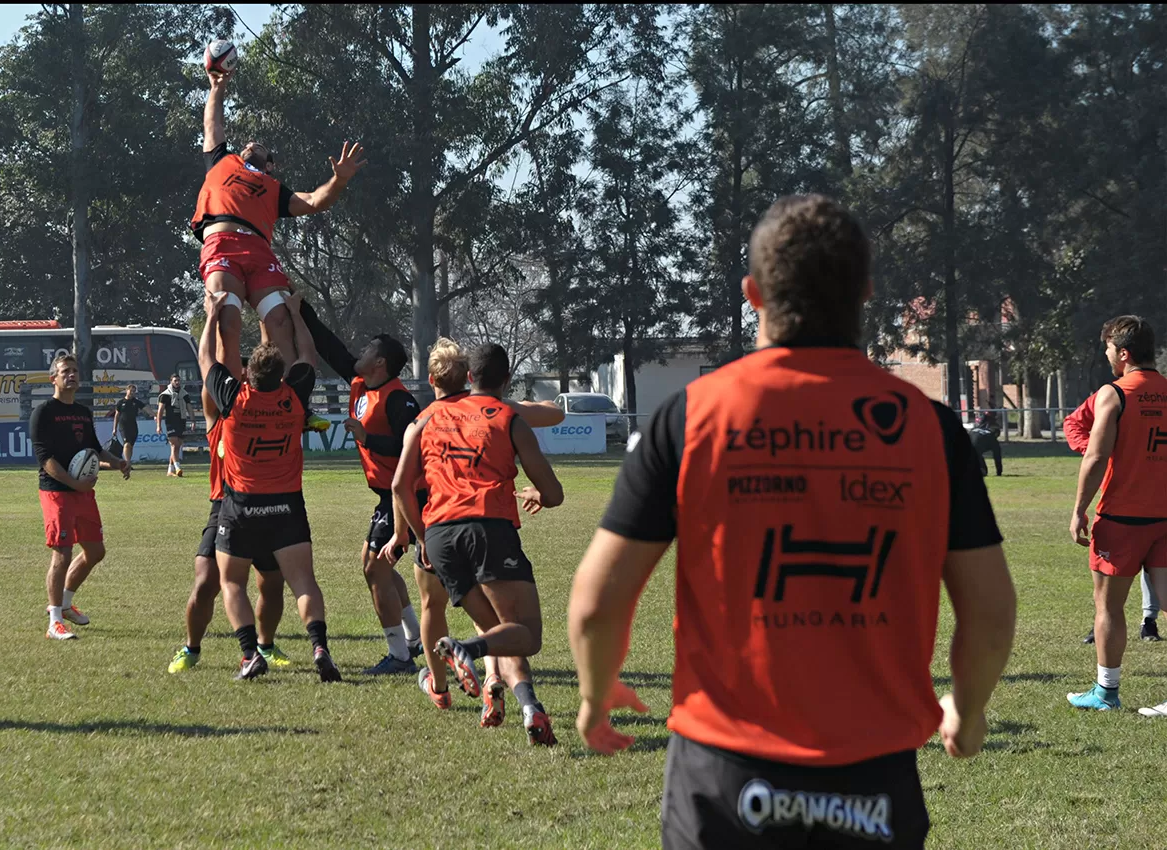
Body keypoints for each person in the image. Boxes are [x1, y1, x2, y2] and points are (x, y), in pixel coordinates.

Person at [568, 195, 1015, 849]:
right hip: (874, 784)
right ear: (865, 293)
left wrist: (594, 695)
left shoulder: (692, 416)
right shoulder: (929, 426)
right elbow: (991, 611)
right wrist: (968, 714)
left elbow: (596, 605)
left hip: (722, 780)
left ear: (753, 293)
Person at [391, 339, 565, 745]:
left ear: (470, 377)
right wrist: (539, 495)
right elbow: (554, 493)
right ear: (507, 379)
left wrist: (421, 539)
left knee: (499, 632)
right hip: (488, 528)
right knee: (527, 634)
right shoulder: (508, 417)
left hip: (440, 536)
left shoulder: (428, 417)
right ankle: (465, 649)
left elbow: (399, 485)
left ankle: (531, 709)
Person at [194, 65, 365, 432]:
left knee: (282, 321)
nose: (251, 144)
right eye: (248, 145)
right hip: (222, 244)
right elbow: (212, 123)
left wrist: (339, 180)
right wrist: (216, 88)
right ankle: (230, 414)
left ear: (270, 166)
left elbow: (316, 200)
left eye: (261, 149)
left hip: (259, 253)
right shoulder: (222, 161)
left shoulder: (274, 190)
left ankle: (291, 408)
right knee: (227, 322)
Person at [201, 289, 341, 682]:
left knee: (232, 582)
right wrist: (294, 314)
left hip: (241, 506)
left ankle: (250, 655)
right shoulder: (294, 396)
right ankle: (319, 648)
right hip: (287, 506)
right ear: (282, 375)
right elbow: (308, 355)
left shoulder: (234, 398)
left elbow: (206, 358)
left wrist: (212, 315)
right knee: (304, 583)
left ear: (247, 374)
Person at [294, 304, 424, 674]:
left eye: (368, 350)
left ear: (380, 362)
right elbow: (330, 346)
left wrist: (369, 439)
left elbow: (412, 448)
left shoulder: (399, 399)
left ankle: (400, 655)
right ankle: (414, 639)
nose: (360, 353)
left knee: (374, 567)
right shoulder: (361, 383)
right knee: (378, 565)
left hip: (408, 493)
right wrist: (299, 309)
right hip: (389, 494)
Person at [1067, 316, 1167, 713]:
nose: (1106, 354)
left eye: (1109, 348)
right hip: (1164, 518)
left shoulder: (1114, 393)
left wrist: (1079, 510)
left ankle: (1106, 693)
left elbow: (1095, 457)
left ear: (1123, 353)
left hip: (1123, 519)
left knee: (1108, 607)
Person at [169, 355, 292, 673]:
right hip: (223, 506)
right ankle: (191, 648)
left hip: (265, 505)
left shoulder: (268, 410)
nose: (240, 378)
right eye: (235, 373)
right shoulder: (219, 415)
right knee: (205, 584)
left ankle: (265, 646)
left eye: (245, 373)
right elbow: (211, 373)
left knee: (272, 583)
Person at [31, 351, 132, 640]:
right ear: (53, 378)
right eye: (65, 371)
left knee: (96, 552)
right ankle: (54, 622)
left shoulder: (83, 412)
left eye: (74, 370)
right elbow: (45, 458)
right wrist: (73, 484)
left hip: (82, 492)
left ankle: (65, 603)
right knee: (62, 553)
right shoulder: (43, 412)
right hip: (57, 492)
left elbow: (94, 450)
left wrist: (117, 462)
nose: (72, 375)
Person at [1065, 391, 1161, 644]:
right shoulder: (1114, 394)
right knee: (1111, 588)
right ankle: (1104, 624)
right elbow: (1073, 423)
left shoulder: (1127, 391)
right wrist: (1096, 447)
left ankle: (1147, 620)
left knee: (1153, 567)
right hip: (1125, 500)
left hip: (1148, 502)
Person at [156, 375, 191, 477]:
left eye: (178, 380)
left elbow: (189, 407)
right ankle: (178, 468)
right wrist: (158, 425)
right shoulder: (165, 395)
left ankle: (170, 470)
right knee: (174, 445)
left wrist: (193, 420)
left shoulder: (184, 394)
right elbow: (160, 411)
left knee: (177, 446)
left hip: (181, 421)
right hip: (170, 422)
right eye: (175, 380)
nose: (177, 382)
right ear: (171, 381)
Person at [112, 384, 147, 464]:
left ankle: (128, 462)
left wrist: (155, 415)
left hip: (133, 425)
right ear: (127, 391)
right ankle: (127, 463)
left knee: (130, 446)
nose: (132, 393)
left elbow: (146, 408)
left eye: (134, 391)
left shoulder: (136, 402)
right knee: (127, 444)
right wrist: (114, 428)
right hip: (123, 426)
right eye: (131, 391)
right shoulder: (121, 402)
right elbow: (116, 416)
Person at [968, 410, 1003, 476]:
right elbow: (997, 457)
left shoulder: (973, 430)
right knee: (983, 471)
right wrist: (999, 472)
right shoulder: (992, 438)